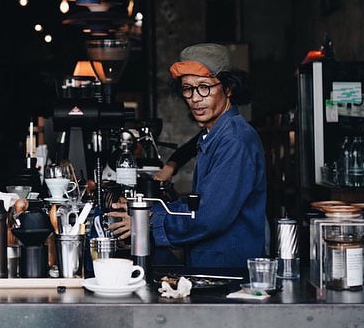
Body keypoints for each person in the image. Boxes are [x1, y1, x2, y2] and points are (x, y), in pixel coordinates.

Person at [108, 43, 267, 268]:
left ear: (228, 88)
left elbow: (208, 217)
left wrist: (145, 224)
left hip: (228, 271)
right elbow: (198, 204)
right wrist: (147, 212)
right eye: (187, 89)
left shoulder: (235, 140)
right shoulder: (213, 135)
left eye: (204, 87)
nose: (195, 98)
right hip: (212, 265)